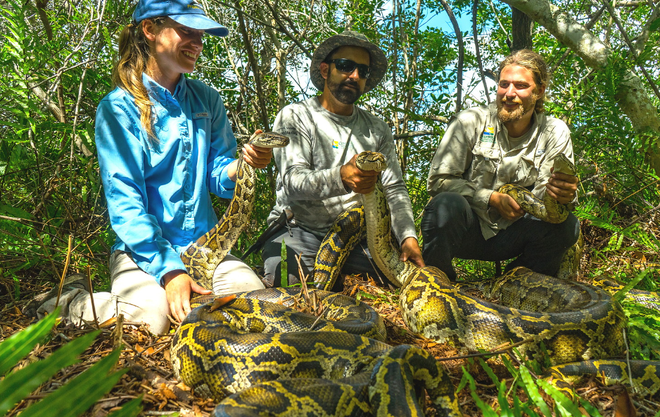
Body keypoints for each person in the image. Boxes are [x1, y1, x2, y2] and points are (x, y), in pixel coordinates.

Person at [24, 0, 273, 335]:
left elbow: (218, 175)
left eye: (201, 34)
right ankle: (65, 300)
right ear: (150, 29)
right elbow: (126, 205)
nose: (198, 43)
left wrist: (243, 165)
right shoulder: (118, 109)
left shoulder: (207, 100)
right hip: (143, 252)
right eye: (187, 31)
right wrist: (171, 272)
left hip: (206, 247)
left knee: (261, 307)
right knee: (147, 322)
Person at [261, 30, 424, 289]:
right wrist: (342, 177)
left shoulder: (377, 129)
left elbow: (394, 188)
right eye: (346, 66)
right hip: (300, 228)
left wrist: (408, 237)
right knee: (287, 284)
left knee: (400, 283)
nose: (355, 76)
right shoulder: (296, 116)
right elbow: (292, 180)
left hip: (358, 234)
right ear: (325, 70)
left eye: (363, 70)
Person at [421, 49, 580, 281]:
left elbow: (550, 204)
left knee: (568, 227)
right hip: (468, 230)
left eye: (521, 86)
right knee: (445, 204)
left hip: (515, 235)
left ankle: (519, 283)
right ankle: (437, 281)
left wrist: (563, 195)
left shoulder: (554, 132)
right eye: (503, 84)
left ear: (539, 91)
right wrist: (491, 198)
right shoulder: (470, 122)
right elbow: (438, 181)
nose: (509, 93)